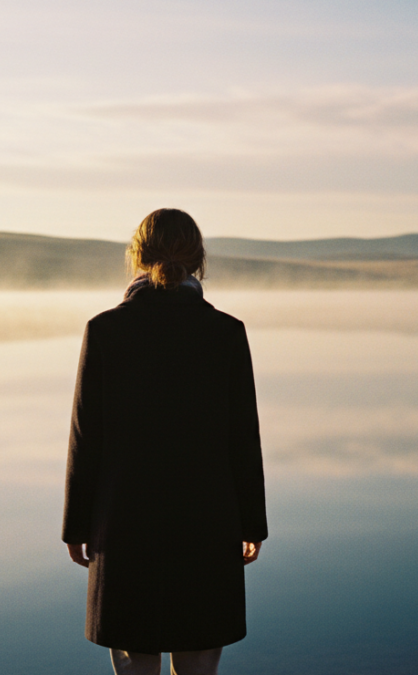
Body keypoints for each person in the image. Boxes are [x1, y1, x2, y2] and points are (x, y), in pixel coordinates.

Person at [62, 208, 268, 675]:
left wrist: (76, 526)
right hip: (208, 522)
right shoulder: (226, 333)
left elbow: (85, 438)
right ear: (199, 260)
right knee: (197, 665)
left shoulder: (105, 331)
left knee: (135, 664)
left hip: (123, 523)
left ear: (136, 257)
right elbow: (243, 438)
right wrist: (252, 522)